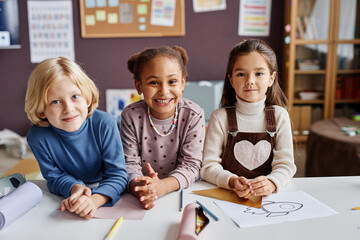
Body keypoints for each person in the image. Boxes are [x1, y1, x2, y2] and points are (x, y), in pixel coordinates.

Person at [25, 57, 127, 219]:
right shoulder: (37, 137)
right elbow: (54, 177)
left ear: (87, 97)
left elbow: (118, 175)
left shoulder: (105, 124)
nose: (68, 109)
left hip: (104, 187)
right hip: (73, 191)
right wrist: (75, 188)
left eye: (75, 97)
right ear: (41, 110)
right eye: (56, 101)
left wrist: (94, 201)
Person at [200, 39, 296, 199]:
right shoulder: (220, 117)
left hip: (270, 200)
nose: (250, 80)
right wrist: (231, 181)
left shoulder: (280, 115)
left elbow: (286, 165)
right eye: (241, 74)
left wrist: (272, 183)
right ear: (231, 80)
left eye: (259, 73)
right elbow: (208, 166)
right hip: (229, 197)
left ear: (271, 78)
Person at [121, 46, 205, 209]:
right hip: (143, 196)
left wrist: (162, 186)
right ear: (139, 86)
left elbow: (191, 165)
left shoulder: (193, 114)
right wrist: (140, 188)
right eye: (153, 83)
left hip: (179, 193)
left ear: (182, 83)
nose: (164, 91)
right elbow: (129, 163)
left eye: (172, 82)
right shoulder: (130, 115)